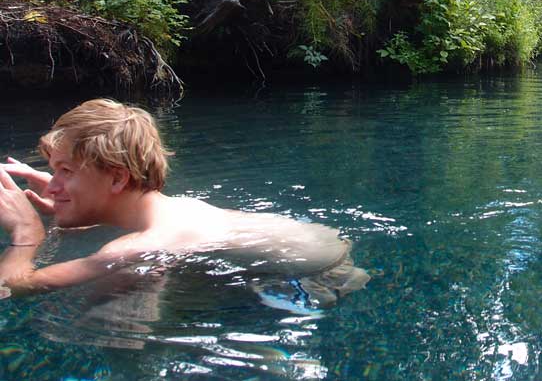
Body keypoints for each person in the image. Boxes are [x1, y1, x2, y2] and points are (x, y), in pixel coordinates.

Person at [0, 99, 366, 306]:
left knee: (106, 314)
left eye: (65, 171)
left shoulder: (125, 251)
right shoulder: (174, 208)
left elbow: (16, 286)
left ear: (116, 178)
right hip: (320, 244)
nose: (51, 187)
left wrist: (25, 231)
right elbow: (135, 219)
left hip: (315, 279)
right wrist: (75, 203)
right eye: (54, 172)